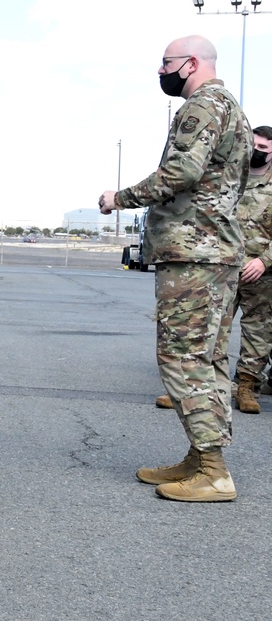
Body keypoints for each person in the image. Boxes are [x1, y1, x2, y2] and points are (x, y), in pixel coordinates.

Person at [99, 35, 252, 503]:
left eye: (165, 63)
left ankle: (213, 471)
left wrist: (118, 198)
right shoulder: (234, 110)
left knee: (182, 358)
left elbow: (181, 173)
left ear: (189, 64)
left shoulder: (202, 107)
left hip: (195, 254)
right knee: (207, 359)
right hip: (216, 252)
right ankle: (197, 456)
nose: (161, 72)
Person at [155, 125, 272, 414]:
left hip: (261, 271)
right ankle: (190, 390)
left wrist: (263, 261)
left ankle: (246, 386)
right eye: (254, 145)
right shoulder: (230, 176)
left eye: (264, 148)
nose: (257, 151)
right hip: (223, 265)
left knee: (258, 332)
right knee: (208, 328)